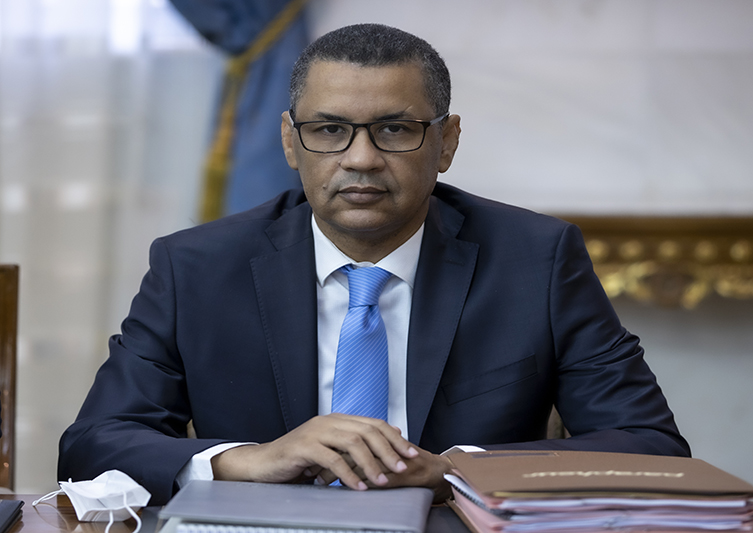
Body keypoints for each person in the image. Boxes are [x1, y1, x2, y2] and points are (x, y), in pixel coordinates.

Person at [58, 23, 690, 506]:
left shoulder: (536, 260)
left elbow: (651, 446)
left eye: (394, 129)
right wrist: (248, 460)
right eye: (329, 130)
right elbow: (92, 445)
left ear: (446, 142)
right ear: (290, 141)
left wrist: (455, 469)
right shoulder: (196, 266)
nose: (360, 159)